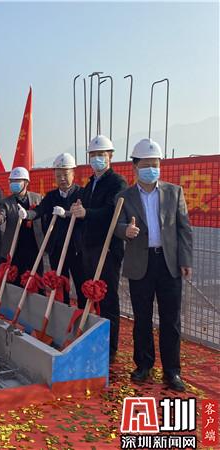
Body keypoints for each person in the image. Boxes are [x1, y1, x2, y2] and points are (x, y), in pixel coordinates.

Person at [115, 138, 192, 391]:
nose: (151, 169)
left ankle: (172, 371)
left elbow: (184, 229)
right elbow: (116, 226)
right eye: (146, 164)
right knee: (142, 318)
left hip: (169, 263)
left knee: (171, 320)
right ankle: (144, 365)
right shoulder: (124, 196)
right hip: (141, 264)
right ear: (135, 167)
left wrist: (185, 260)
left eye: (155, 164)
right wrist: (126, 230)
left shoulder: (174, 192)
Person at [70, 135, 127, 364]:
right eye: (93, 155)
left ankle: (110, 348)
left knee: (108, 297)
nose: (96, 159)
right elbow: (84, 208)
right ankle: (94, 338)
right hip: (89, 247)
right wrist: (78, 209)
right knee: (92, 295)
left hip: (108, 248)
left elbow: (112, 211)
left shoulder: (117, 183)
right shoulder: (90, 183)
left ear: (110, 156)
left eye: (101, 155)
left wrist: (87, 213)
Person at [25, 153, 86, 305]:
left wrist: (67, 213)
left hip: (76, 248)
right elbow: (39, 210)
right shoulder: (51, 196)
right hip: (56, 247)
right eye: (58, 176)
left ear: (73, 173)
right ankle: (62, 309)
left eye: (65, 175)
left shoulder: (82, 193)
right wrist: (27, 214)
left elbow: (85, 214)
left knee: (80, 281)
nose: (62, 179)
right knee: (59, 282)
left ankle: (82, 312)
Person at [0, 167, 42, 285]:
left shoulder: (37, 198)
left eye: (17, 181)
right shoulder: (5, 202)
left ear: (26, 182)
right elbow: (2, 215)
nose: (13, 184)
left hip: (35, 247)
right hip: (15, 248)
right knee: (16, 281)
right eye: (11, 181)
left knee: (36, 280)